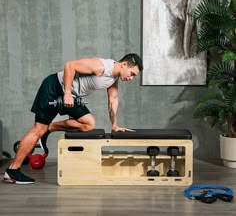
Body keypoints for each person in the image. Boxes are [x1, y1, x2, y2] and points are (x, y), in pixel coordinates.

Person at [3, 53, 143, 184]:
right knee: (38, 129)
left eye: (134, 76)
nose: (131, 78)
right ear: (124, 64)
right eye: (132, 74)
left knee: (88, 123)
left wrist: (115, 125)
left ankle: (50, 128)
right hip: (55, 87)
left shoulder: (113, 78)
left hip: (72, 95)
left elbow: (113, 99)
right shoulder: (101, 66)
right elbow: (70, 65)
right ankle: (12, 171)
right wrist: (67, 93)